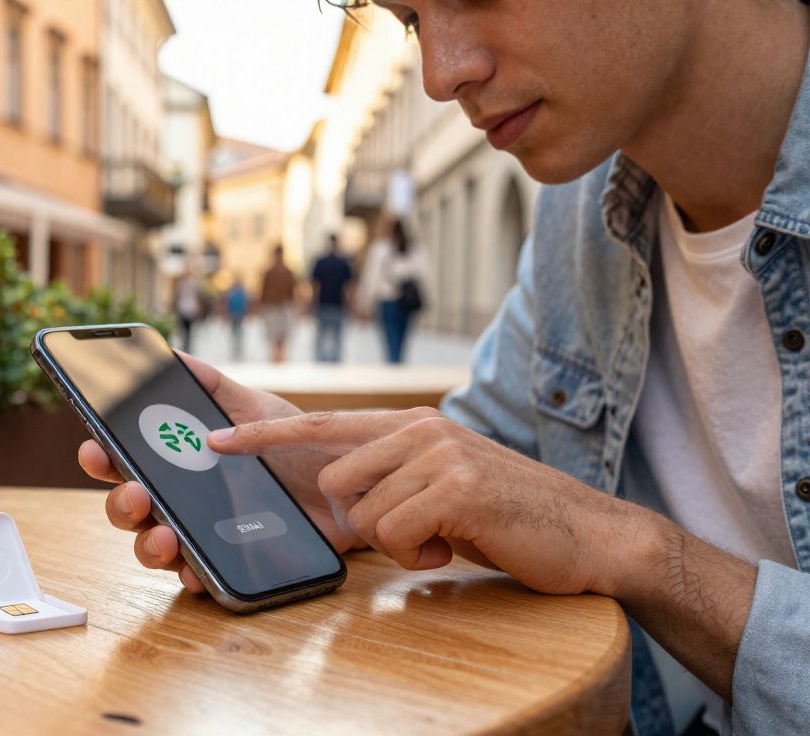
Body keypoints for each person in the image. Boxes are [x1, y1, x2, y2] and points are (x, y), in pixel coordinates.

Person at [78, 1, 810, 733]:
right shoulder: (581, 212)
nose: (440, 73)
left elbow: (578, 522)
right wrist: (336, 476)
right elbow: (488, 454)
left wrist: (638, 553)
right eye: (411, 21)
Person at [359, 218, 428, 364]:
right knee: (402, 339)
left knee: (390, 339)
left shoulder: (379, 249)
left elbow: (371, 278)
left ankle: (393, 365)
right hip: (406, 301)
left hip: (387, 300)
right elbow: (423, 275)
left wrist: (366, 303)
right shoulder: (414, 250)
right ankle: (398, 363)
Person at [310, 233, 355, 362]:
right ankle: (335, 363)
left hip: (324, 303)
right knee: (337, 337)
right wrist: (350, 304)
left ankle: (321, 363)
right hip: (337, 304)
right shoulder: (343, 264)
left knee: (321, 337)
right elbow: (348, 288)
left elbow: (315, 286)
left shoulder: (320, 262)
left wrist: (313, 303)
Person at [257, 244, 297, 363]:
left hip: (276, 308)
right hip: (276, 307)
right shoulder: (284, 271)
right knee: (278, 338)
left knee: (277, 337)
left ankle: (277, 360)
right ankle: (278, 360)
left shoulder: (273, 272)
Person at [173, 269, 202, 353]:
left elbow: (197, 296)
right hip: (186, 308)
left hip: (189, 308)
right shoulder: (183, 284)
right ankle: (186, 345)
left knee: (187, 329)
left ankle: (186, 345)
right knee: (185, 329)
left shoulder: (190, 284)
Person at [224, 274, 249, 362]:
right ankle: (236, 348)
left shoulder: (239, 291)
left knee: (237, 331)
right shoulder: (238, 291)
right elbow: (229, 303)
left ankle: (237, 348)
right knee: (236, 331)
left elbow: (245, 303)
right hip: (235, 313)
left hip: (238, 313)